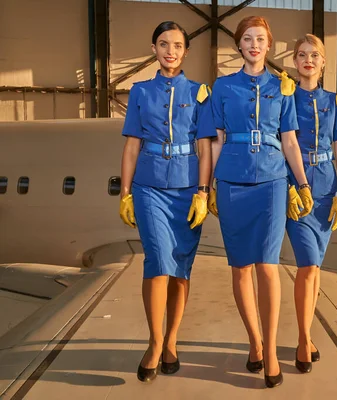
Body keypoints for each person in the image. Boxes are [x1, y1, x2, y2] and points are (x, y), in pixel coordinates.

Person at [208, 16, 313, 388]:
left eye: (261, 39)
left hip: (271, 183)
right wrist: (208, 188)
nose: (254, 45)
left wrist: (301, 183)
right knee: (240, 268)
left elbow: (289, 141)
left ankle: (269, 351)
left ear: (269, 46)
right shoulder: (222, 88)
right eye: (248, 39)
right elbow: (215, 140)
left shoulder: (282, 89)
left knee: (268, 266)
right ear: (238, 45)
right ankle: (253, 340)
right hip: (233, 183)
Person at [119, 21, 216, 383]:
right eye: (163, 44)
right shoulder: (140, 92)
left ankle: (173, 338)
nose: (170, 51)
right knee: (157, 262)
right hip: (149, 187)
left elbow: (205, 148)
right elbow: (131, 146)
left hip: (187, 189)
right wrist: (126, 193)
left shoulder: (200, 92)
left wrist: (203, 193)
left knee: (180, 269)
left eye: (177, 45)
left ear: (186, 51)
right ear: (154, 48)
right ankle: (155, 342)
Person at [286, 33, 337, 374]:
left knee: (316, 271)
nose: (308, 60)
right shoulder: (285, 99)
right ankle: (302, 339)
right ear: (294, 62)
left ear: (323, 63)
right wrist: (290, 187)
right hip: (300, 192)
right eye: (301, 55)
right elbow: (282, 145)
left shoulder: (334, 102)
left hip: (326, 193)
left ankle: (307, 335)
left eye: (314, 55)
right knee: (307, 266)